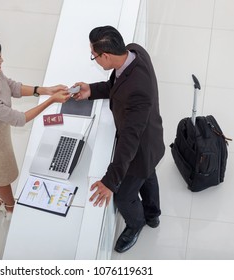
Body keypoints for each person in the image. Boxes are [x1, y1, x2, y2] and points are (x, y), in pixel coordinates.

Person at [73, 26, 165, 253]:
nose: (95, 61)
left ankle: (137, 223)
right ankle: (153, 215)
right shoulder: (134, 52)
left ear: (106, 55)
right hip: (151, 141)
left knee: (124, 197)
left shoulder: (138, 91)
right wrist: (91, 91)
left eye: (94, 56)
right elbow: (117, 85)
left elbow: (129, 141)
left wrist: (110, 182)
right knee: (149, 174)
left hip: (140, 149)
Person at [0, 34, 70, 217]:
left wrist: (44, 90)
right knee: (1, 176)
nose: (2, 60)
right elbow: (19, 119)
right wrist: (51, 100)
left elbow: (11, 87)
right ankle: (10, 206)